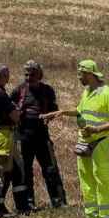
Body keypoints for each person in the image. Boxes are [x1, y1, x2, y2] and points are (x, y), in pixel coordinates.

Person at [43, 60, 109, 218]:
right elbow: (80, 111)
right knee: (86, 181)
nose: (79, 78)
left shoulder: (107, 93)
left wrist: (96, 129)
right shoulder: (87, 91)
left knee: (102, 181)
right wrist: (62, 112)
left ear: (89, 74)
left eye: (81, 74)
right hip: (83, 142)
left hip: (99, 142)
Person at [11, 60, 68, 209]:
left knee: (50, 168)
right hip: (24, 136)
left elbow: (54, 110)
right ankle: (28, 202)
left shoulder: (47, 91)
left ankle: (58, 200)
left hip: (42, 135)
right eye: (26, 74)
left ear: (40, 75)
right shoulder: (18, 91)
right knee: (26, 170)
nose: (28, 77)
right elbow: (10, 111)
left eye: (32, 74)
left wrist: (48, 116)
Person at [0, 64, 31, 217]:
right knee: (2, 173)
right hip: (2, 137)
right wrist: (18, 111)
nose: (9, 77)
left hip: (3, 136)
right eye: (8, 74)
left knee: (17, 169)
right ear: (3, 76)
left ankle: (22, 205)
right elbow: (15, 117)